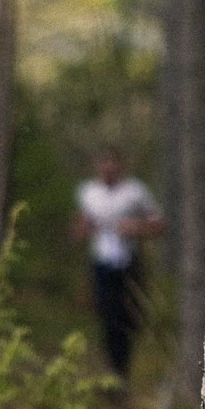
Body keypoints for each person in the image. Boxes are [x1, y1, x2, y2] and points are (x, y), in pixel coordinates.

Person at [71, 148, 165, 381]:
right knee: (108, 319)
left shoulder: (134, 191)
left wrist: (135, 228)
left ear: (120, 166)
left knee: (130, 318)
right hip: (101, 264)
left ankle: (125, 368)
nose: (108, 169)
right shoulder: (88, 193)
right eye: (104, 164)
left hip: (128, 264)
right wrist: (85, 228)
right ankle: (114, 374)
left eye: (112, 164)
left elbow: (158, 223)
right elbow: (78, 230)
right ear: (98, 166)